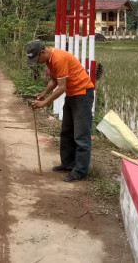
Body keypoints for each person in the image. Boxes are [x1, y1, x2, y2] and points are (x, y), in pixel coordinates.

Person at [26, 39, 95, 182]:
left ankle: (80, 171)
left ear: (43, 52)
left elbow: (61, 87)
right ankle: (68, 164)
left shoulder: (59, 58)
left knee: (81, 135)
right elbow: (54, 80)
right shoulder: (49, 60)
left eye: (36, 58)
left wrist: (45, 102)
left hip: (82, 94)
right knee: (66, 131)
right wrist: (43, 93)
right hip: (72, 95)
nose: (37, 62)